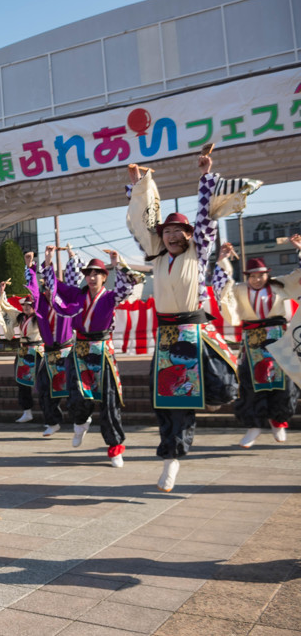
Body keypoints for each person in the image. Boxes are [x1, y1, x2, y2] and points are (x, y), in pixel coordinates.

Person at [126, 158, 239, 492]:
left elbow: (206, 220)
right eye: (169, 231)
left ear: (191, 235)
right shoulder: (157, 256)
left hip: (194, 332)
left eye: (181, 231)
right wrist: (138, 187)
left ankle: (210, 398)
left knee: (223, 384)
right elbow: (142, 222)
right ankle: (171, 460)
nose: (174, 235)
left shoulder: (199, 252)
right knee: (169, 402)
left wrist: (205, 177)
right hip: (167, 338)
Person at [46, 247, 143, 467]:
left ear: (104, 277)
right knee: (77, 395)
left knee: (109, 400)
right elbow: (55, 287)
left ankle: (115, 448)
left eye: (96, 273)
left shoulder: (110, 297)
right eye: (88, 274)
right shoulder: (77, 295)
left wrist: (117, 263)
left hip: (102, 350)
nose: (91, 277)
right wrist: (48, 261)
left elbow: (129, 284)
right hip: (80, 349)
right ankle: (80, 423)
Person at [214, 236, 301, 447]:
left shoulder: (280, 285)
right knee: (251, 383)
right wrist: (223, 260)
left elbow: (299, 276)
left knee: (284, 382)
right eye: (252, 276)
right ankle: (253, 427)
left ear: (267, 275)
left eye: (261, 275)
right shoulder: (240, 290)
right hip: (252, 342)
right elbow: (223, 287)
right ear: (248, 276)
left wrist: (299, 249)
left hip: (278, 340)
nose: (257, 279)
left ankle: (278, 422)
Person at [26, 249, 75, 438]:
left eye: (49, 287)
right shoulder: (41, 305)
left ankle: (80, 418)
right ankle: (52, 421)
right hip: (49, 353)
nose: (46, 290)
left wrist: (49, 261)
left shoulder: (65, 301)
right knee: (45, 388)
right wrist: (30, 267)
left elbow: (68, 281)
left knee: (72, 388)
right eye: (44, 287)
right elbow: (32, 289)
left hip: (66, 351)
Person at [0, 277, 41, 424]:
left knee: (42, 381)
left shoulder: (40, 318)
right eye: (25, 305)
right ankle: (27, 411)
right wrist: (2, 292)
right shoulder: (20, 317)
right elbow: (7, 308)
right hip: (23, 352)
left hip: (38, 350)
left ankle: (48, 412)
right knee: (22, 382)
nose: (26, 307)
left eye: (29, 305)